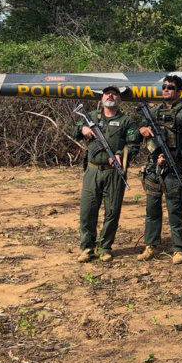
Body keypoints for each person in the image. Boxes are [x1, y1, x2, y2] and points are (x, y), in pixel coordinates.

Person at [137, 75, 182, 265]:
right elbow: (139, 126)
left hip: (173, 167)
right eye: (164, 87)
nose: (166, 90)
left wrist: (175, 155)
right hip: (154, 167)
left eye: (170, 87)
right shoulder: (154, 111)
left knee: (174, 209)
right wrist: (143, 129)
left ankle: (178, 249)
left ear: (179, 91)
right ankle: (150, 245)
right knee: (152, 209)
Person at [74, 86, 140, 263]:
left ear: (119, 99)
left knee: (112, 211)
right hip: (93, 170)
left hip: (114, 173)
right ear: (102, 97)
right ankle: (87, 248)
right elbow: (76, 130)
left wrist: (120, 153)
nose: (110, 95)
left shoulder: (127, 121)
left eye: (115, 93)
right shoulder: (93, 117)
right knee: (87, 211)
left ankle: (104, 247)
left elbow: (133, 145)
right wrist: (83, 130)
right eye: (107, 93)